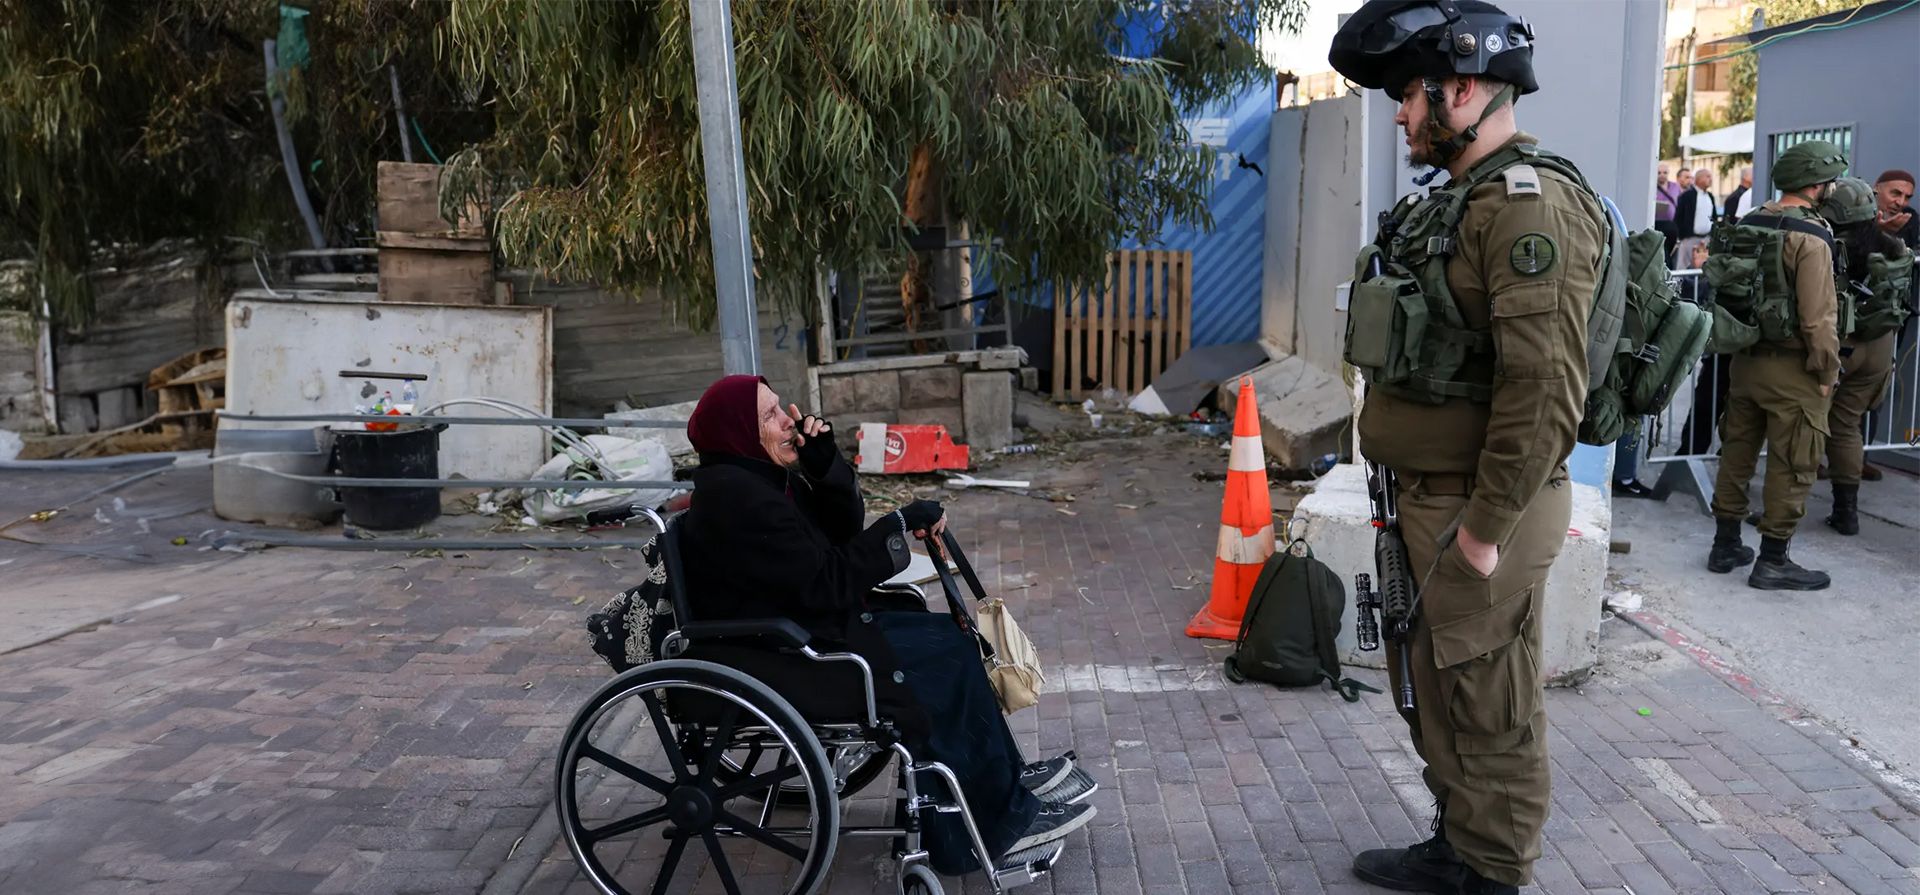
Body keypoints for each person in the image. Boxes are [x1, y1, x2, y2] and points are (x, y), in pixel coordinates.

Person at [1329, 2, 1601, 891]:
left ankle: (1492, 870)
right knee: (1433, 686)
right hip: (1425, 496)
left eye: (1411, 94)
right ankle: (1460, 839)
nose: (1403, 114)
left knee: (1487, 699)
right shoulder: (1460, 203)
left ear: (1466, 87)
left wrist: (1484, 532)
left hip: (1481, 506)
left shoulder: (1530, 209)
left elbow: (1544, 388)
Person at [675, 375, 1095, 874]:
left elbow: (839, 532)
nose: (789, 420)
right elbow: (827, 580)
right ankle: (985, 826)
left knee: (949, 637)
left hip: (803, 626)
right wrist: (896, 526)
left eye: (781, 409)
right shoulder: (740, 498)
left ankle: (1002, 784)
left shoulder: (758, 480)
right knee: (944, 660)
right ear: (738, 433)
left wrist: (824, 463)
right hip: (788, 651)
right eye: (769, 416)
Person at [1705, 140, 1847, 591]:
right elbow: (1817, 316)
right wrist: (1827, 371)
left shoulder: (1752, 220)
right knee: (1793, 460)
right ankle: (1773, 560)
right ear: (1815, 183)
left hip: (1745, 361)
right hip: (1793, 368)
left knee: (1737, 452)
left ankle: (1725, 544)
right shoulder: (1812, 235)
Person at [1818, 178, 1913, 533]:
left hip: (1840, 345)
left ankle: (1782, 514)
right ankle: (1847, 512)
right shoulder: (1895, 247)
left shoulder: (1830, 247)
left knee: (1809, 423)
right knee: (1846, 426)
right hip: (1880, 344)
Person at [1677, 241, 1734, 455]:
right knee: (1706, 407)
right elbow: (1694, 301)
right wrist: (1701, 270)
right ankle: (1688, 457)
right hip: (1723, 351)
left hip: (1741, 352)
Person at [1673, 168, 1718, 267]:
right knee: (1683, 267)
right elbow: (1678, 217)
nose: (1711, 179)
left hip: (1706, 239)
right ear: (1698, 179)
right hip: (1689, 239)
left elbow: (1714, 217)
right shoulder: (1687, 196)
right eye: (1707, 176)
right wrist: (1683, 236)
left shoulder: (1710, 196)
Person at [1877, 169, 1918, 249]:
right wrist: (1881, 232)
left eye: (1907, 197)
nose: (1901, 203)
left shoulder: (1910, 216)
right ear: (1877, 189)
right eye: (1896, 193)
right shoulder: (1857, 215)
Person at [1655, 164, 1683, 254]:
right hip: (1657, 222)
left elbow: (1680, 202)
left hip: (1672, 223)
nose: (1662, 175)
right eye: (1659, 173)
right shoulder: (1652, 187)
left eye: (1665, 172)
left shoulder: (1675, 186)